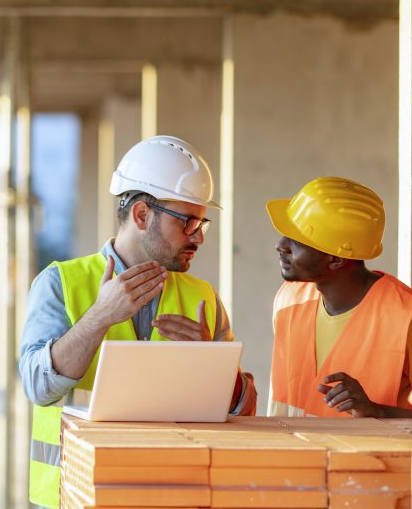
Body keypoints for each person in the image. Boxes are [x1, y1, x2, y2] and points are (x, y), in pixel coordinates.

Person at [20, 135, 257, 508]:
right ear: (142, 215)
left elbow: (244, 409)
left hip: (172, 496)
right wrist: (99, 317)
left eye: (202, 223)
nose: (199, 236)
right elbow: (37, 386)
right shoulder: (60, 284)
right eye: (188, 222)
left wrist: (211, 366)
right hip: (78, 494)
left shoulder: (204, 298)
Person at [266, 176, 412, 418]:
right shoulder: (289, 300)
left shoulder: (410, 322)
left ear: (336, 259)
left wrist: (377, 412)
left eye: (297, 240)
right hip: (292, 454)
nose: (281, 245)